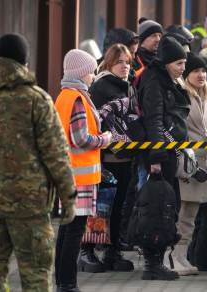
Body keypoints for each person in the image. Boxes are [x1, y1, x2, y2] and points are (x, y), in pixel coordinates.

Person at [0, 33, 76, 292]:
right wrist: (69, 197)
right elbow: (55, 153)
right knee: (35, 276)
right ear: (25, 61)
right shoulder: (36, 99)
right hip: (29, 205)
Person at [54, 49, 112, 291]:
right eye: (91, 72)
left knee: (65, 230)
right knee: (75, 231)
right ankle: (68, 284)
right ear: (82, 73)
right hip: (81, 177)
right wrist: (104, 139)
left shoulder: (63, 96)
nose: (93, 77)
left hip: (68, 174)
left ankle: (62, 281)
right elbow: (81, 138)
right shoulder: (77, 99)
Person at [139, 36, 190, 280]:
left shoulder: (168, 80)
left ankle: (157, 260)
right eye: (179, 63)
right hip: (159, 155)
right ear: (167, 62)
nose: (183, 68)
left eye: (184, 63)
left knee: (167, 208)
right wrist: (157, 156)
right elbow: (154, 119)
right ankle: (153, 263)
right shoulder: (154, 81)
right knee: (157, 210)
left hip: (169, 152)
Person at [170, 53, 207, 276]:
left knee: (192, 214)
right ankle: (172, 256)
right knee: (181, 211)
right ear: (186, 74)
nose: (201, 75)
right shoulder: (181, 95)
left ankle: (182, 256)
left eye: (203, 71)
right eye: (195, 71)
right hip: (186, 162)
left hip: (204, 162)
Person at [89, 44, 136, 272]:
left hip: (125, 158)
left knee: (118, 208)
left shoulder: (128, 87)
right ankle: (88, 251)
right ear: (109, 64)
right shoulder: (100, 86)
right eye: (119, 62)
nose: (125, 66)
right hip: (105, 158)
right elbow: (98, 121)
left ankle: (112, 251)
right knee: (100, 207)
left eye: (127, 62)